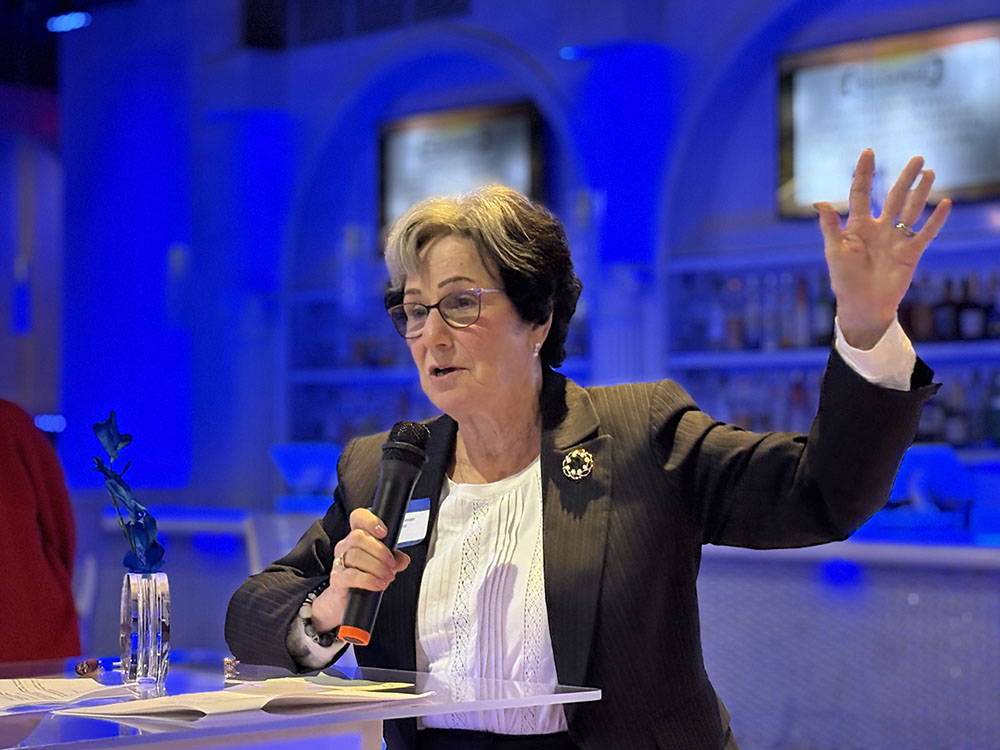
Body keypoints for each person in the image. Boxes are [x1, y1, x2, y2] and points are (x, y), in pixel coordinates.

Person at [226, 150, 950, 749]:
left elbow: (820, 494)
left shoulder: (639, 434)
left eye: (460, 303)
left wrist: (866, 329)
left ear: (538, 316)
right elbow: (251, 615)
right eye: (414, 310)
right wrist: (327, 610)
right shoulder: (384, 468)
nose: (430, 335)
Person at [0, 399, 81, 662]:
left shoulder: (11, 424)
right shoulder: (12, 422)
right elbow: (61, 530)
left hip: (28, 634)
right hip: (30, 635)